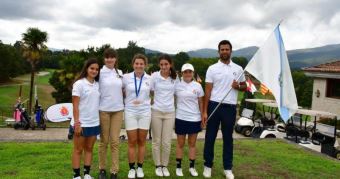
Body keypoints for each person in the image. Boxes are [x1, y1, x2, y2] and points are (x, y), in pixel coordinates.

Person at [202, 40, 246, 179]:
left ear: (231, 51)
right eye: (222, 49)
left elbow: (245, 86)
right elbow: (207, 91)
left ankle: (228, 168)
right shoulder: (212, 68)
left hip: (230, 107)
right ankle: (207, 165)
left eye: (227, 49)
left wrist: (238, 86)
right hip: (214, 105)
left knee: (228, 139)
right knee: (210, 137)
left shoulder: (238, 69)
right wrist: (204, 111)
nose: (225, 51)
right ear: (219, 51)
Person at [122, 54, 152, 179]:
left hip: (145, 112)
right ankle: (131, 169)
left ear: (145, 65)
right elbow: (120, 91)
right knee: (131, 142)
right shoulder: (126, 77)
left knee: (142, 141)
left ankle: (140, 167)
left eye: (141, 64)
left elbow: (156, 92)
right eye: (137, 63)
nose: (139, 66)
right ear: (133, 64)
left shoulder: (150, 78)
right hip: (130, 112)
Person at [71, 58, 101, 179]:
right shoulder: (79, 84)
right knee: (78, 150)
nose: (94, 71)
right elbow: (75, 106)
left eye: (96, 69)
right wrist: (77, 123)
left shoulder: (98, 85)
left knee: (89, 149)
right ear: (87, 69)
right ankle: (77, 175)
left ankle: (87, 174)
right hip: (81, 123)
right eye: (92, 68)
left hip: (94, 122)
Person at [174, 63, 204, 177]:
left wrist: (202, 117)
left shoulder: (197, 86)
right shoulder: (177, 85)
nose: (188, 74)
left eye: (190, 72)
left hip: (194, 118)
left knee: (192, 144)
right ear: (182, 73)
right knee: (180, 144)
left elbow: (201, 102)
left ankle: (192, 167)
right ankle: (178, 167)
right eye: (185, 72)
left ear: (193, 73)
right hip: (181, 117)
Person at [98, 48, 124, 179]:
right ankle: (102, 169)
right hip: (104, 110)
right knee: (104, 142)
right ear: (104, 59)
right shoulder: (100, 72)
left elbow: (123, 90)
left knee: (115, 142)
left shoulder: (119, 72)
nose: (109, 59)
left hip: (118, 111)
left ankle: (114, 170)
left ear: (115, 59)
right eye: (107, 57)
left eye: (112, 57)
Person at [150, 54, 177, 177]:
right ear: (159, 65)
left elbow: (178, 94)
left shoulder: (175, 78)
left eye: (166, 64)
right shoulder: (154, 76)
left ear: (170, 64)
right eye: (161, 64)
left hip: (170, 113)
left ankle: (164, 165)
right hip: (156, 111)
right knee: (156, 141)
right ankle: (158, 165)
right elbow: (149, 91)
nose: (164, 66)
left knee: (166, 142)